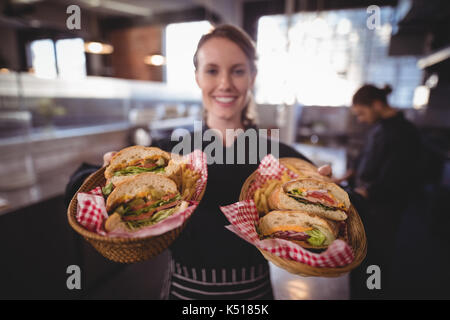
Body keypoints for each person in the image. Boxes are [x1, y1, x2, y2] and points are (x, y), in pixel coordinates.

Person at [65, 24, 333, 300]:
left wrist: (322, 204)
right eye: (212, 70)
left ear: (252, 77)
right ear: (197, 77)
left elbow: (320, 245)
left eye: (238, 70)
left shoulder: (281, 159)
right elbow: (76, 189)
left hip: (254, 295)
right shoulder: (169, 156)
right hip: (184, 292)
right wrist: (104, 174)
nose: (225, 83)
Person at [346, 84, 423, 299]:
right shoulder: (380, 127)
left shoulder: (405, 132)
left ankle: (372, 294)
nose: (360, 119)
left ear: (377, 105)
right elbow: (368, 162)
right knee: (361, 256)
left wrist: (361, 194)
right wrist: (348, 176)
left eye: (362, 113)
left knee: (376, 259)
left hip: (383, 212)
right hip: (367, 207)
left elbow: (397, 177)